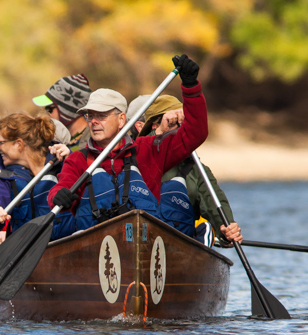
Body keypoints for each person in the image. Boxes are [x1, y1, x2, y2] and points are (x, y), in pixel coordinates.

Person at [47, 54, 206, 236]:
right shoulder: (77, 159)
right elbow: (60, 189)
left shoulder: (149, 149)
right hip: (95, 242)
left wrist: (191, 87)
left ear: (122, 119)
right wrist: (58, 196)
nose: (94, 122)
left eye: (102, 115)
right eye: (90, 116)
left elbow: (196, 133)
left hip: (143, 237)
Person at [133, 94, 243, 247]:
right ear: (154, 126)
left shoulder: (197, 170)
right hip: (135, 237)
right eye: (172, 122)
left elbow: (216, 205)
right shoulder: (133, 155)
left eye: (182, 123)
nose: (178, 129)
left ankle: (202, 238)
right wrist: (159, 135)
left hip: (176, 243)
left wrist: (228, 230)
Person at [0, 112, 73, 243]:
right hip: (26, 249)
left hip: (63, 243)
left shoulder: (62, 162)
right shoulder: (8, 178)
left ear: (19, 144)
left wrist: (71, 157)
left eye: (1, 142)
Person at [32, 74, 92, 151]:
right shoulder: (58, 140)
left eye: (49, 109)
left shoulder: (92, 143)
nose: (47, 115)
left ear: (67, 111)